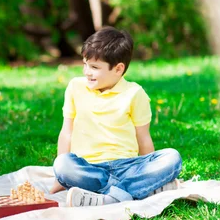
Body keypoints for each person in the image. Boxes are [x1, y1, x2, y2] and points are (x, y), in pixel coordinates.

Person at [49, 27, 182, 207]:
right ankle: (138, 190)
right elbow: (67, 133)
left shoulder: (135, 93)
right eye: (85, 64)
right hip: (89, 167)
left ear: (118, 69)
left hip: (128, 166)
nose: (87, 71)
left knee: (172, 157)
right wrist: (60, 178)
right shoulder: (75, 87)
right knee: (63, 164)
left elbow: (143, 138)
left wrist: (148, 167)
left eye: (94, 67)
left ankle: (106, 197)